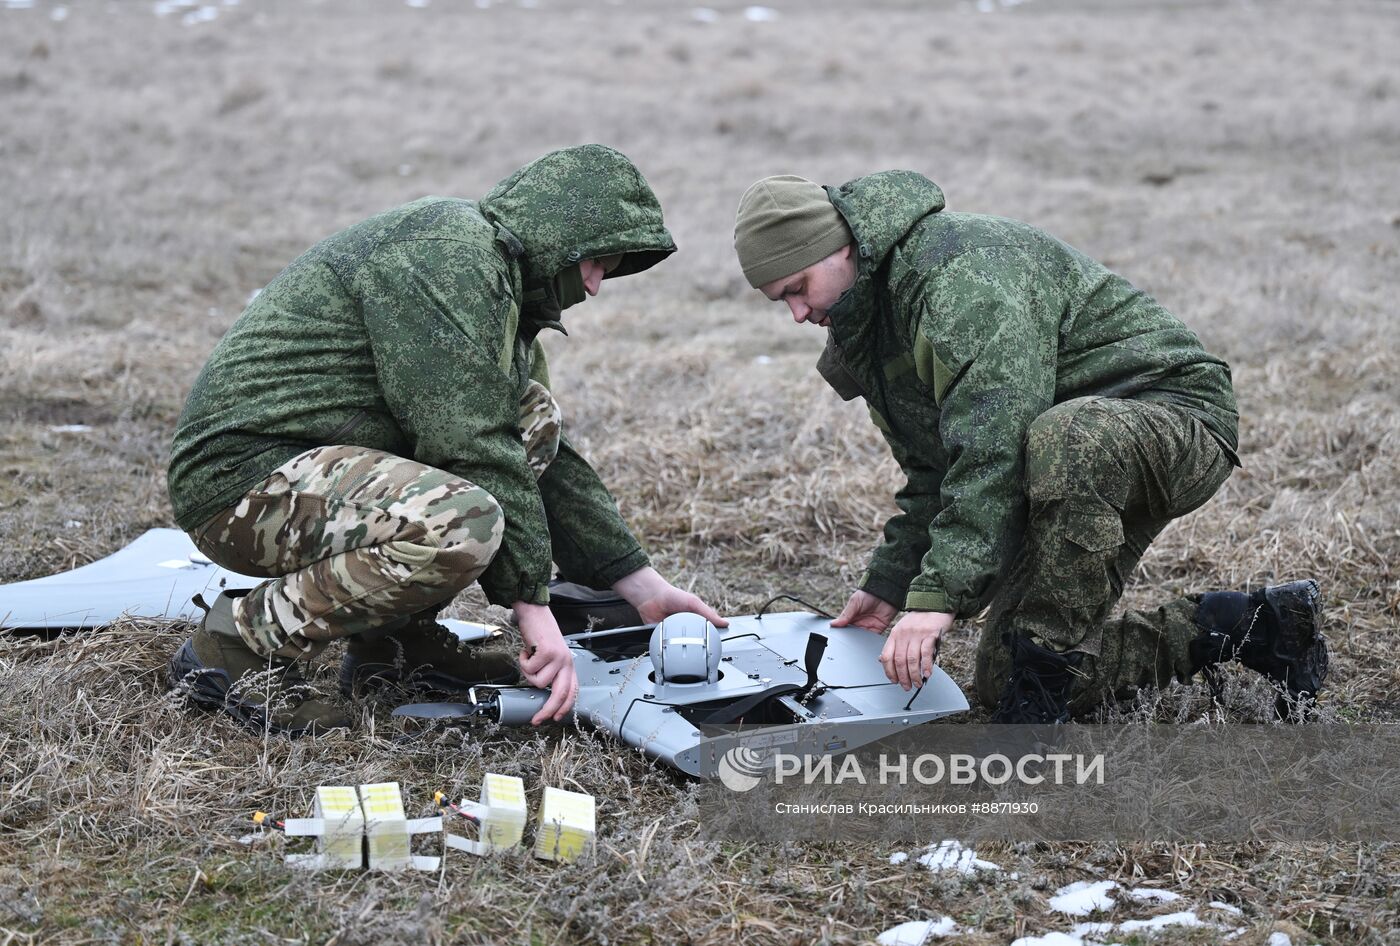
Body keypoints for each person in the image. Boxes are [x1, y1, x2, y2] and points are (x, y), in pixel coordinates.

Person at [165, 144, 726, 737]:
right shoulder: (447, 256)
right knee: (460, 520)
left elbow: (531, 459)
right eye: (598, 262)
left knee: (534, 419)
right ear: (564, 234)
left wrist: (641, 586)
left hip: (318, 468)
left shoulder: (502, 293)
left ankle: (394, 643)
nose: (594, 286)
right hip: (243, 481)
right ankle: (234, 645)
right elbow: (469, 442)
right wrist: (534, 612)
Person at [732, 172, 1326, 722]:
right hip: (1066, 457)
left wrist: (939, 599)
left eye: (798, 288)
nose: (797, 313)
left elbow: (995, 447)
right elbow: (937, 472)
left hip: (1173, 418)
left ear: (839, 249)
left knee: (1067, 441)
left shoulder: (962, 275)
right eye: (780, 300)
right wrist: (890, 588)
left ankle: (1037, 704)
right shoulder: (867, 324)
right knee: (1003, 676)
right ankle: (1253, 627)